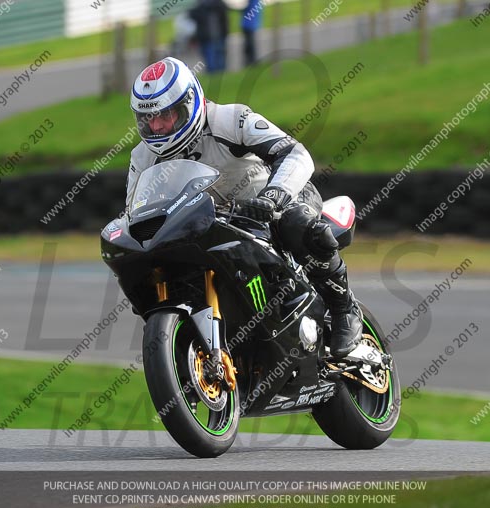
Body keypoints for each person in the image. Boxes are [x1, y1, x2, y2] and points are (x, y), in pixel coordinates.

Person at [126, 57, 363, 359]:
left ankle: (344, 309)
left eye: (166, 115)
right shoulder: (142, 158)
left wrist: (272, 198)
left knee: (297, 224)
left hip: (276, 200)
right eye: (148, 119)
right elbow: (136, 211)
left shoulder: (230, 120)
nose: (156, 126)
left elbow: (295, 153)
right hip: (212, 224)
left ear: (189, 103)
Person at [189, 0, 229, 73]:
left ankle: (220, 74)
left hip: (218, 36)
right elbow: (192, 15)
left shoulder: (218, 5)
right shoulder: (200, 7)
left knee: (219, 58)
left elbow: (225, 16)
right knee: (211, 60)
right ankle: (214, 74)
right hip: (207, 38)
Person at [241, 0, 262, 66]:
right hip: (251, 24)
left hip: (248, 25)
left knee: (249, 45)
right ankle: (251, 61)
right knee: (250, 45)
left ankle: (251, 62)